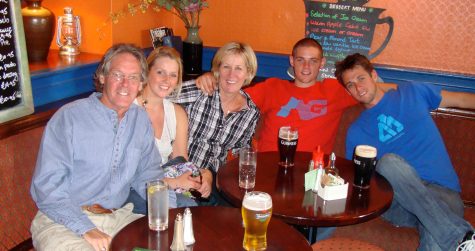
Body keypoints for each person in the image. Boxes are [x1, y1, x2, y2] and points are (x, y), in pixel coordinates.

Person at [30, 44, 176, 251]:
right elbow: (48, 188)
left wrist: (170, 210)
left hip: (117, 217)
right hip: (62, 222)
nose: (125, 84)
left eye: (133, 77)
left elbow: (149, 174)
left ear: (141, 83)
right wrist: (86, 228)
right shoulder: (69, 118)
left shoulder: (140, 119)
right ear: (102, 77)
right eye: (118, 75)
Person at [334, 53, 475, 251]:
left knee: (434, 236)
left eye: (361, 78)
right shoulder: (357, 131)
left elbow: (460, 99)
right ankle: (460, 236)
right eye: (350, 85)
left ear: (373, 75)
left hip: (443, 192)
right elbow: (357, 179)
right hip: (397, 204)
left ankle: (454, 236)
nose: (357, 87)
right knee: (388, 163)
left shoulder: (411, 92)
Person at [196, 38, 358, 154]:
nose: (306, 66)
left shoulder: (334, 90)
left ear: (322, 63)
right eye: (300, 59)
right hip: (268, 166)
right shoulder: (273, 87)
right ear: (292, 61)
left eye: (313, 61)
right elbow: (232, 95)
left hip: (312, 172)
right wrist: (212, 76)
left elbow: (370, 93)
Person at [125, 46, 212, 213]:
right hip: (133, 187)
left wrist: (204, 174)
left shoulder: (177, 113)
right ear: (147, 72)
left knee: (190, 208)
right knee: (183, 209)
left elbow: (181, 162)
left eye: (173, 75)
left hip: (165, 183)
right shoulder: (129, 109)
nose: (167, 80)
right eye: (160, 72)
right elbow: (129, 175)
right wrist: (175, 183)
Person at [172, 41, 260, 205]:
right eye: (226, 67)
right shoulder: (201, 90)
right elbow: (158, 96)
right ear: (218, 69)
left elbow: (240, 153)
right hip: (182, 171)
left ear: (248, 73)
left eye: (239, 68)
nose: (231, 75)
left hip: (215, 179)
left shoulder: (251, 113)